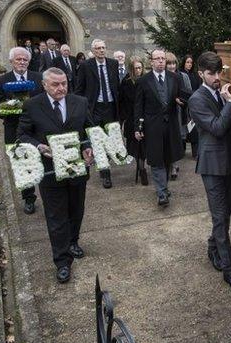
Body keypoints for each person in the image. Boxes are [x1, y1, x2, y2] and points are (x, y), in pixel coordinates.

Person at [17, 67, 93, 284]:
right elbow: (21, 135)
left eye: (64, 84)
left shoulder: (80, 102)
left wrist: (88, 147)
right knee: (56, 216)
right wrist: (39, 146)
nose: (61, 88)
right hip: (50, 172)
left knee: (76, 210)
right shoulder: (32, 106)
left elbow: (88, 129)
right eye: (55, 85)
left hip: (77, 169)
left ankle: (73, 241)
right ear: (44, 85)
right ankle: (62, 261)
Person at [187, 51, 231, 294]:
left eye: (219, 72)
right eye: (211, 73)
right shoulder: (197, 99)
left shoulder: (227, 90)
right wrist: (230, 103)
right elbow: (217, 127)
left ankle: (213, 246)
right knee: (220, 217)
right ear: (200, 73)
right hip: (213, 166)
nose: (216, 77)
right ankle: (230, 270)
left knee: (224, 215)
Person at [133, 48, 187, 207]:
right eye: (157, 59)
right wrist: (138, 127)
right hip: (152, 126)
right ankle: (162, 193)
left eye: (163, 58)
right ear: (151, 62)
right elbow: (138, 106)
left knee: (168, 157)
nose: (161, 61)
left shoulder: (174, 78)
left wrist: (183, 102)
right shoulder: (144, 81)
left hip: (170, 125)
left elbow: (183, 95)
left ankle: (164, 187)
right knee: (156, 160)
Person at [0, 46, 43, 215]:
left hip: (37, 128)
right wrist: (6, 108)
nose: (22, 62)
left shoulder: (38, 78)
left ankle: (48, 194)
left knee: (42, 160)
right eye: (18, 59)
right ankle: (29, 198)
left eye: (25, 59)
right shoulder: (2, 80)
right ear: (11, 61)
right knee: (22, 165)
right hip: (14, 128)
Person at [75, 38, 120, 189]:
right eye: (98, 48)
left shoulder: (113, 64)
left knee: (110, 140)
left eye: (103, 47)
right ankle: (105, 173)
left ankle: (105, 162)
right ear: (93, 51)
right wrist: (82, 109)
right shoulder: (85, 66)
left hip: (111, 107)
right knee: (98, 142)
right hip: (95, 109)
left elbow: (117, 86)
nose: (101, 50)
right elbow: (79, 89)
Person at [118, 56, 147, 185]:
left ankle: (143, 166)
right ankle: (141, 168)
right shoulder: (126, 82)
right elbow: (122, 102)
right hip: (131, 118)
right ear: (131, 69)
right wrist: (123, 119)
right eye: (135, 68)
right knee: (135, 147)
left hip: (145, 117)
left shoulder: (147, 80)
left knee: (145, 145)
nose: (138, 70)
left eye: (140, 67)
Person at [165, 52, 192, 180]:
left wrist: (181, 101)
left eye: (173, 63)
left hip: (180, 113)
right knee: (169, 139)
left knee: (177, 140)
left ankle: (174, 163)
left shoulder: (183, 76)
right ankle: (172, 166)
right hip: (167, 113)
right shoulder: (162, 77)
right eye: (168, 63)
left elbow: (189, 94)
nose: (171, 66)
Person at [179, 54, 201, 158]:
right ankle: (181, 150)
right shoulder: (180, 74)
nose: (189, 64)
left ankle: (195, 152)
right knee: (183, 127)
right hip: (183, 104)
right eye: (187, 62)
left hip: (194, 104)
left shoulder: (195, 75)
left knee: (194, 129)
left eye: (191, 62)